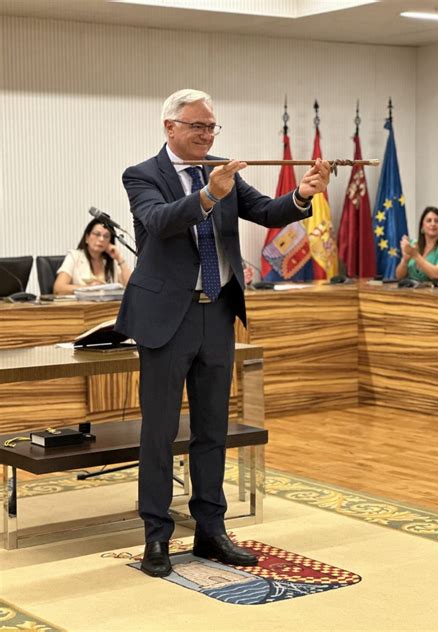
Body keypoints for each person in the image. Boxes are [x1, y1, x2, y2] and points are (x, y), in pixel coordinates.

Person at [115, 88, 330, 578]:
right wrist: (210, 193)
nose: (207, 135)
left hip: (218, 314)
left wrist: (303, 194)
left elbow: (268, 212)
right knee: (160, 431)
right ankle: (156, 536)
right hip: (167, 318)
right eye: (197, 126)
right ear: (169, 127)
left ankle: (212, 530)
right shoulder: (143, 175)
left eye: (212, 127)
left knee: (213, 429)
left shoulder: (223, 171)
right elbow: (159, 221)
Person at [54, 218, 131, 294]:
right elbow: (58, 288)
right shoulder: (74, 256)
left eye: (106, 236)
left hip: (109, 306)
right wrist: (89, 288)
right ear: (87, 237)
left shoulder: (111, 260)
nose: (101, 239)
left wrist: (120, 258)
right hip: (82, 306)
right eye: (97, 234)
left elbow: (131, 288)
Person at [395, 206, 438, 283]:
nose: (433, 224)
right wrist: (405, 260)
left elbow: (436, 275)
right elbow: (399, 277)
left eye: (437, 221)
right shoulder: (414, 244)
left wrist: (415, 255)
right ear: (422, 227)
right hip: (416, 292)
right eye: (429, 221)